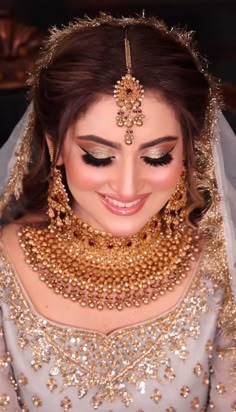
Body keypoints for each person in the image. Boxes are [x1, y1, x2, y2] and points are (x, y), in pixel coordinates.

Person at [0, 12, 235, 412]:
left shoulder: (221, 269)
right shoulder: (4, 268)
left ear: (189, 151)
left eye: (158, 157)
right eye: (98, 156)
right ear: (54, 145)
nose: (128, 187)